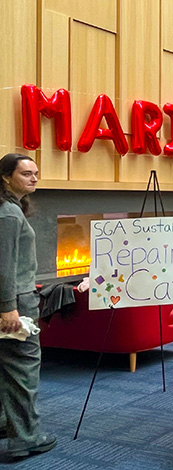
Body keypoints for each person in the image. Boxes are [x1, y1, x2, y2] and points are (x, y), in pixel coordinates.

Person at [0, 153, 57, 459]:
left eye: (36, 173)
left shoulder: (9, 209)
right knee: (23, 369)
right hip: (15, 304)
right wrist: (8, 308)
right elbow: (4, 266)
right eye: (26, 173)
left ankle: (6, 422)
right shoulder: (8, 213)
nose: (34, 178)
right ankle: (25, 438)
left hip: (12, 300)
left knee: (6, 366)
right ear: (6, 177)